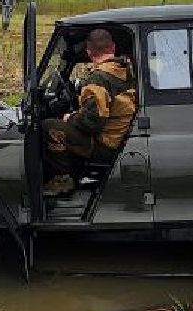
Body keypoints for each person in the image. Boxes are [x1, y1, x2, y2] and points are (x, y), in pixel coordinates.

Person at [40, 28, 136, 196]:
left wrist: (70, 117)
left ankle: (63, 180)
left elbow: (93, 122)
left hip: (107, 145)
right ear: (113, 47)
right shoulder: (127, 71)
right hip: (122, 139)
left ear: (89, 51)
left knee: (50, 127)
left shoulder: (98, 78)